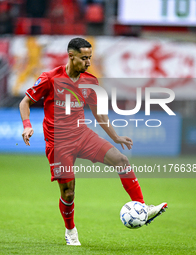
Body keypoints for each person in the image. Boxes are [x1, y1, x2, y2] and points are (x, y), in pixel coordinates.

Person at [19, 37, 167, 246]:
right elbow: (25, 102)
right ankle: (70, 230)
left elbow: (99, 114)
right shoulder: (50, 78)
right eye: (84, 58)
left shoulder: (90, 81)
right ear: (71, 56)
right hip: (59, 143)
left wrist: (115, 136)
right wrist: (27, 125)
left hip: (82, 136)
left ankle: (142, 207)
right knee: (68, 193)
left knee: (121, 160)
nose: (88, 62)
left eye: (90, 58)